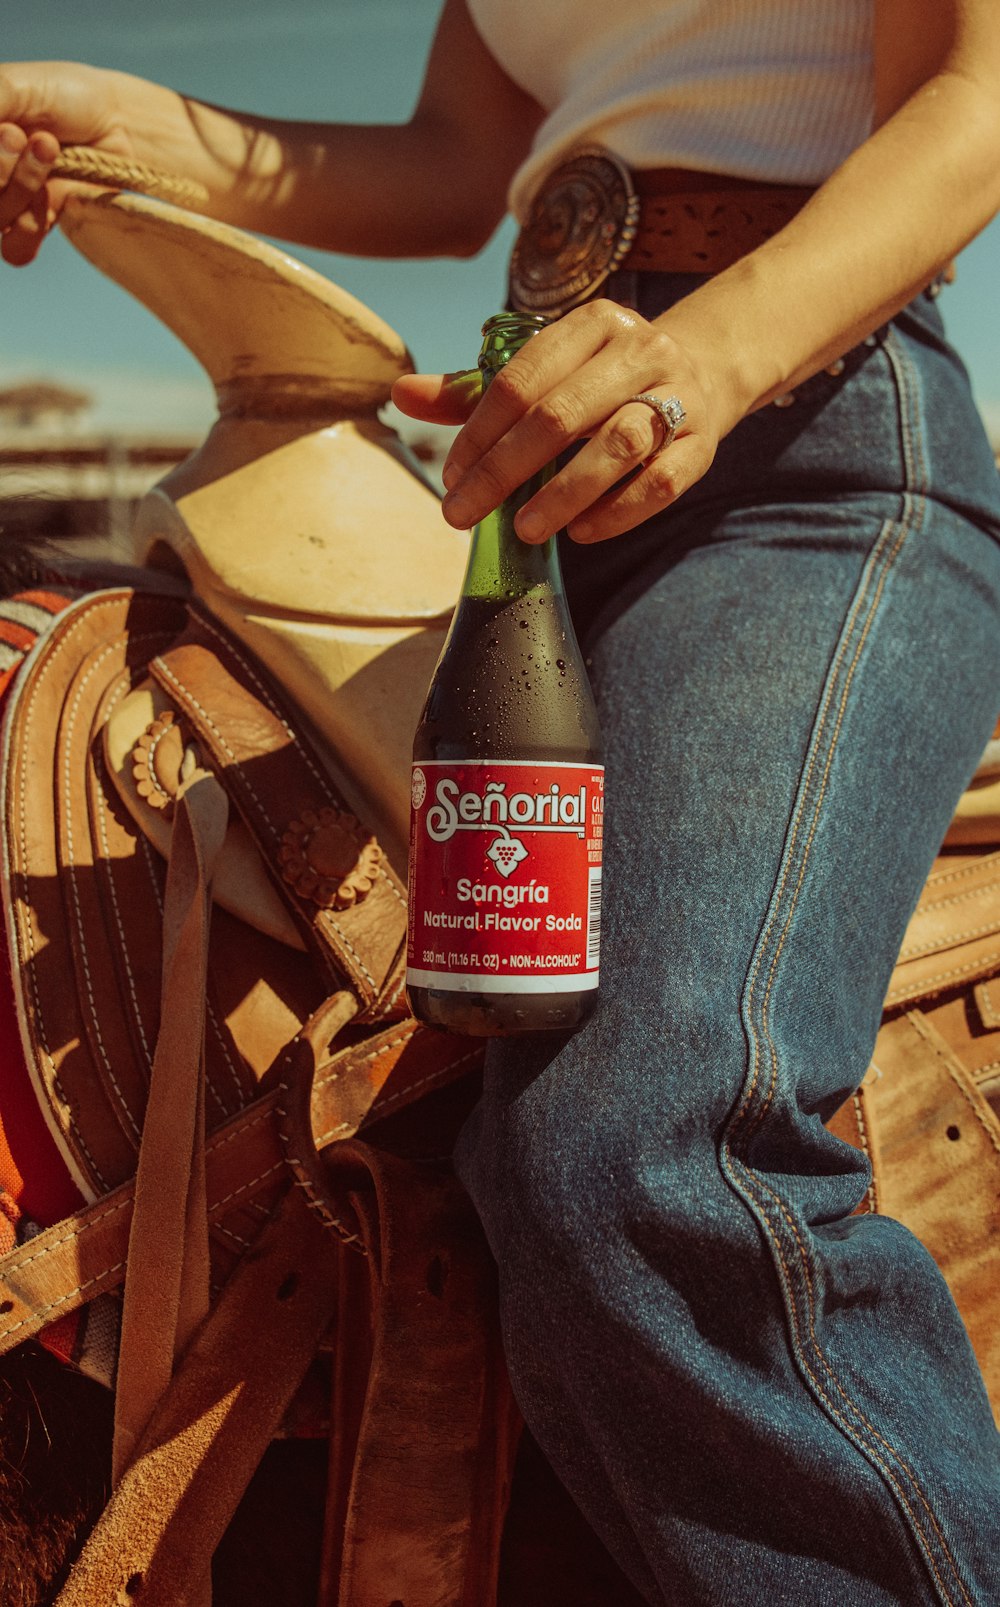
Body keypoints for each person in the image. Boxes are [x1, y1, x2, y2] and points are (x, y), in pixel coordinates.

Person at [2, 5, 1000, 1602]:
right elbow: (459, 167)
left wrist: (706, 360)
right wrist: (101, 118)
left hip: (808, 435)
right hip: (538, 452)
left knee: (644, 1147)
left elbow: (973, 102)